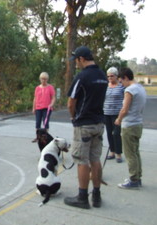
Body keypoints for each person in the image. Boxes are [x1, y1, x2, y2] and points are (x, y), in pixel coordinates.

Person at [64, 46, 108, 209]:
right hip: (98, 123)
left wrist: (73, 117)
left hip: (84, 125)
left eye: (76, 60)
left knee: (82, 160)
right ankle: (96, 195)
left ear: (81, 59)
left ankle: (82, 197)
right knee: (95, 159)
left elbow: (71, 102)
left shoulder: (82, 77)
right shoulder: (102, 76)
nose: (75, 63)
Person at [115, 68, 146, 189]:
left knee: (129, 154)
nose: (122, 84)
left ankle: (133, 179)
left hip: (129, 125)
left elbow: (125, 109)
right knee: (135, 152)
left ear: (126, 78)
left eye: (121, 81)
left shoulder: (130, 90)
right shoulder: (140, 88)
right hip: (138, 123)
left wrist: (118, 119)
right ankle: (137, 176)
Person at [103, 67, 125, 163]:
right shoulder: (106, 86)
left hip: (117, 114)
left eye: (112, 76)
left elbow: (126, 100)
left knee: (116, 134)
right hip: (106, 113)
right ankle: (112, 152)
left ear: (116, 76)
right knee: (109, 133)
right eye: (108, 76)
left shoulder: (121, 87)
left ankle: (118, 154)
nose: (110, 78)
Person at [32, 72, 56, 142]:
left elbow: (53, 97)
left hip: (47, 108)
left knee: (45, 123)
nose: (43, 80)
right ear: (40, 79)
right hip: (38, 108)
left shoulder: (50, 87)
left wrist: (51, 104)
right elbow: (35, 98)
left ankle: (46, 137)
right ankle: (38, 137)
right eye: (42, 79)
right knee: (37, 123)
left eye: (45, 79)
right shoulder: (37, 88)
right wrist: (33, 108)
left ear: (47, 79)